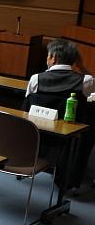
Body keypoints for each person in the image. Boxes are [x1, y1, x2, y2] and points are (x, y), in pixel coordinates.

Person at [25, 39, 95, 189]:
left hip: (38, 133)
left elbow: (26, 107)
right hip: (69, 138)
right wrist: (81, 66)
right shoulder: (86, 81)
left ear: (54, 58)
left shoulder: (36, 79)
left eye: (48, 56)